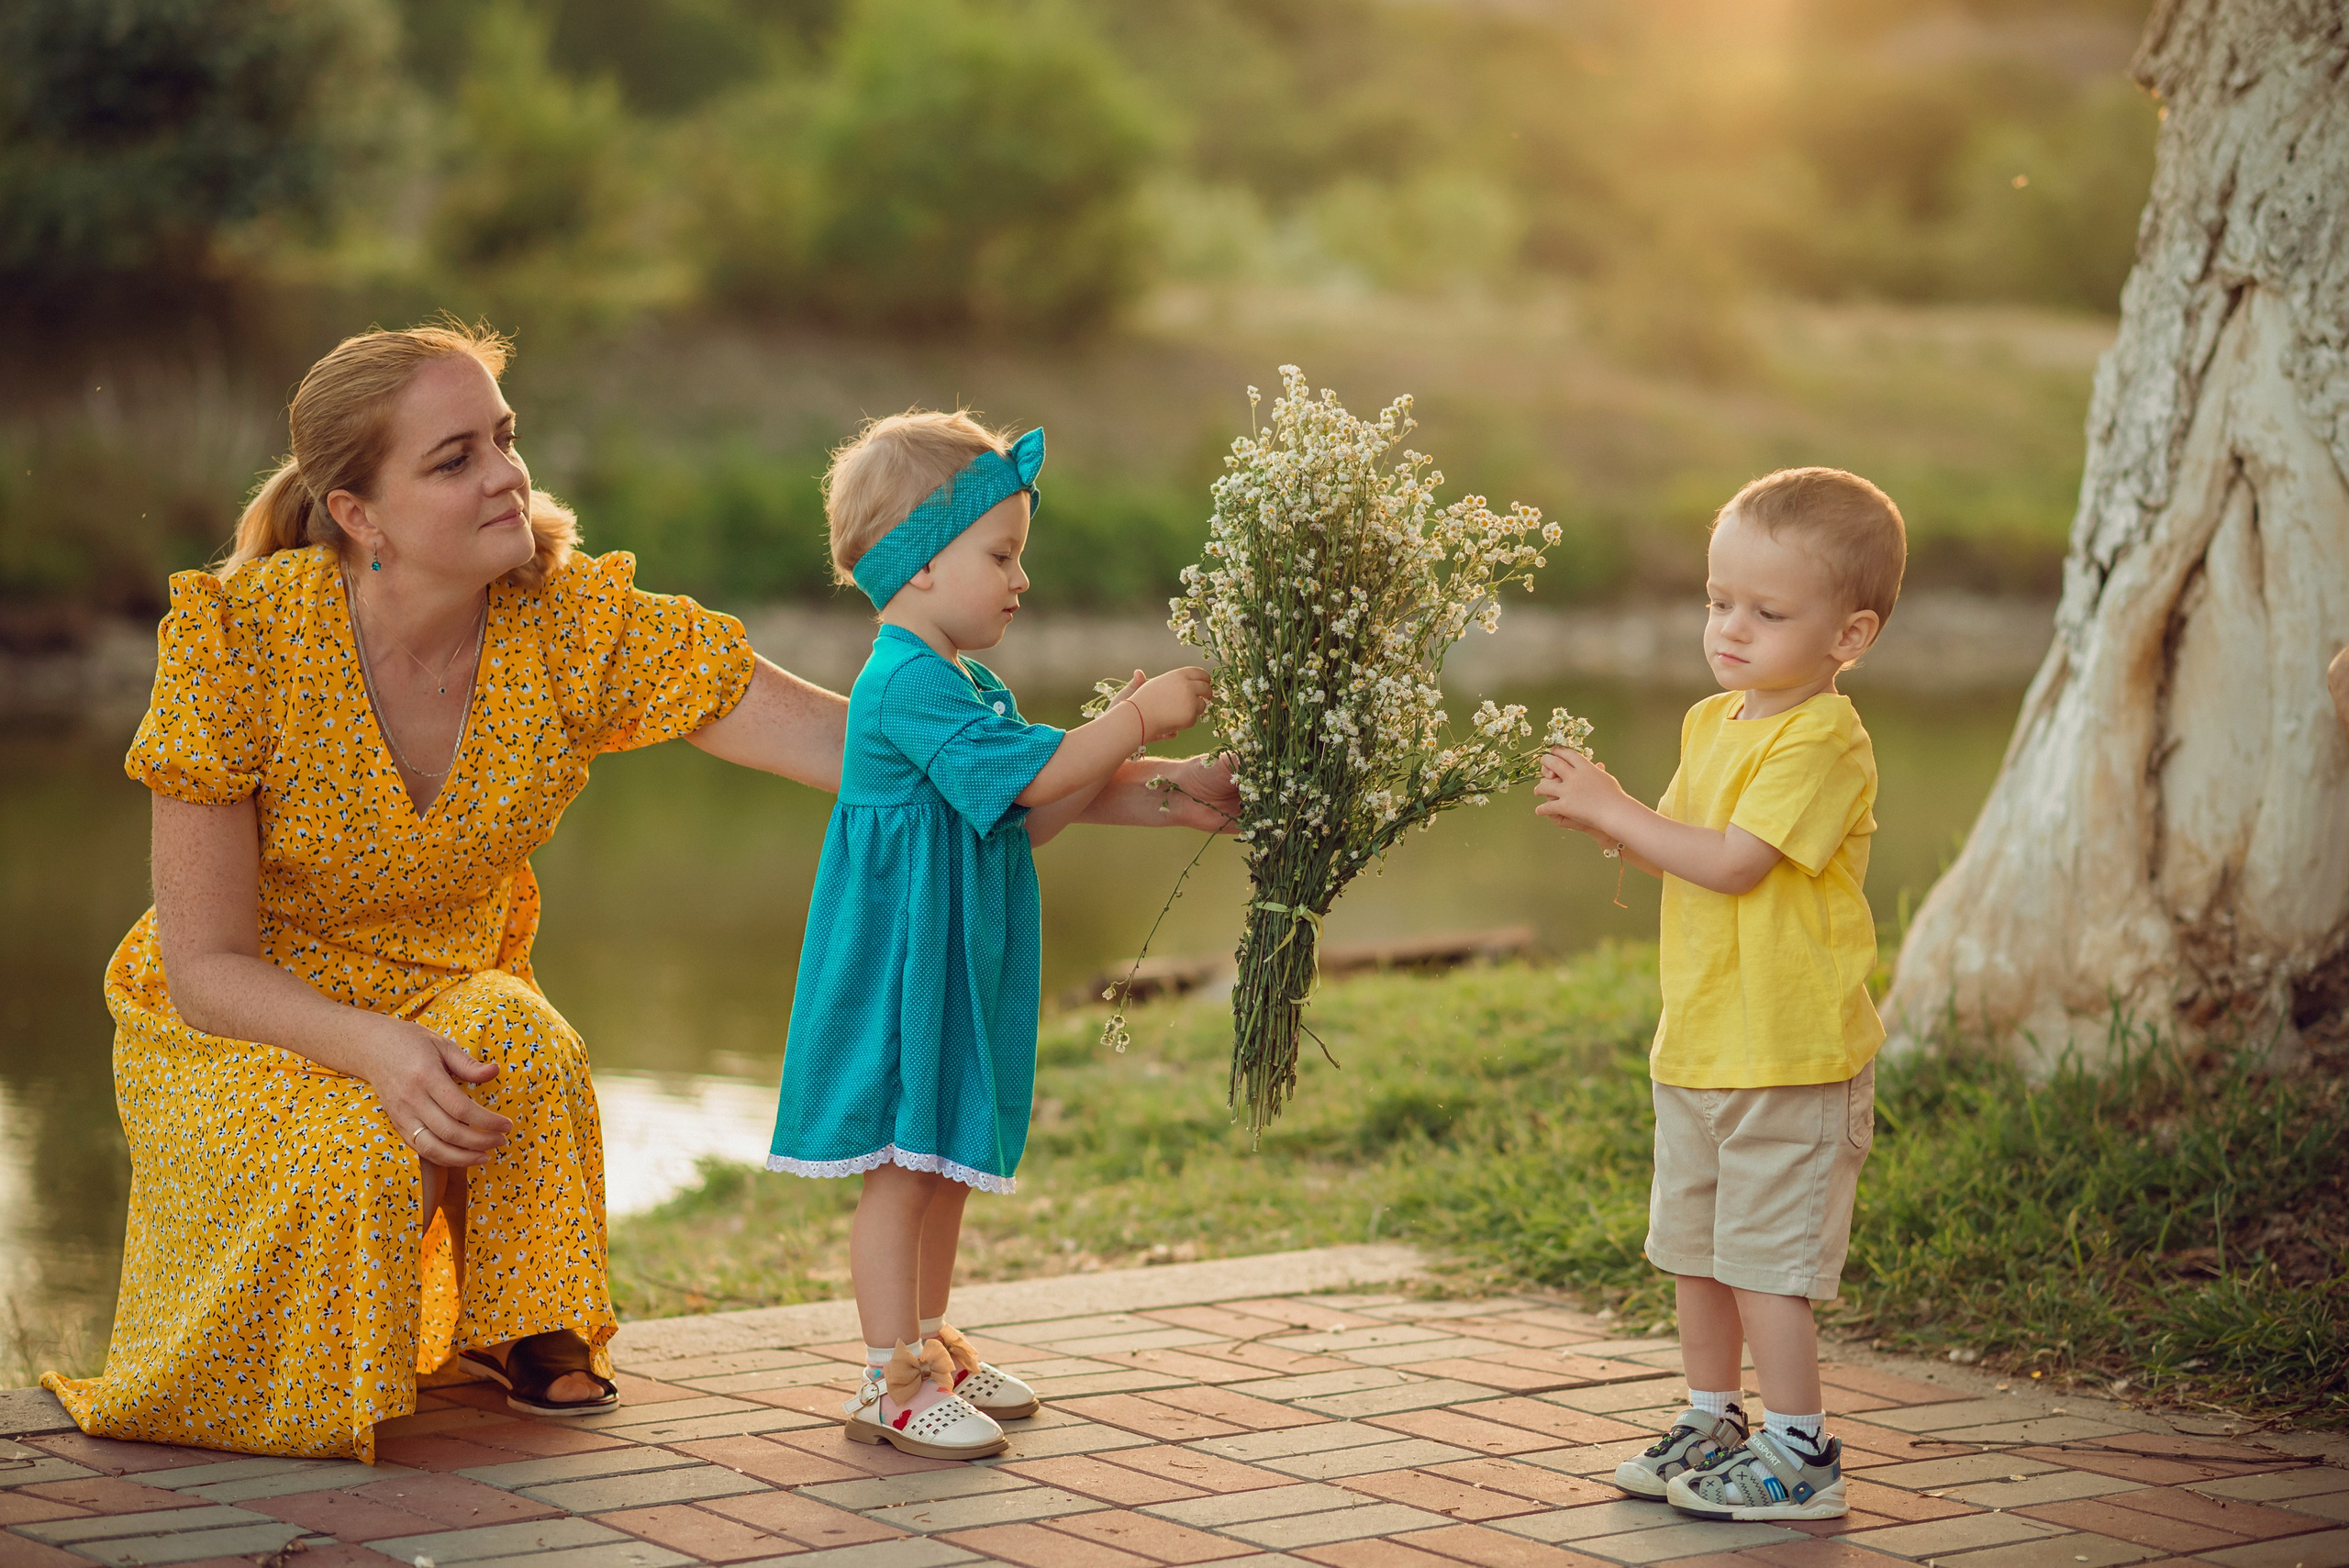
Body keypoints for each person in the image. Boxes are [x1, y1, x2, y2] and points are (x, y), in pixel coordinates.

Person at [42, 325, 1237, 1463]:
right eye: (456, 458)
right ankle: (290, 1378)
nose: (507, 475)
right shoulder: (237, 644)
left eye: (506, 436)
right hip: (254, 1019)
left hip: (450, 991)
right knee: (359, 1146)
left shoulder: (572, 624)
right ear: (359, 514)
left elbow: (879, 757)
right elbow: (206, 969)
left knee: (519, 1037)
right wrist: (375, 1048)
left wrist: (1164, 790)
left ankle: (524, 1317)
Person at [764, 412, 1211, 1461]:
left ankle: (928, 1343)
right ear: (918, 564)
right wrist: (1136, 721)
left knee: (942, 1161)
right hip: (901, 969)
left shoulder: (968, 682)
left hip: (954, 957)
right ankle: (888, 1380)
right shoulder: (902, 680)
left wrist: (1164, 782)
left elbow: (1027, 814)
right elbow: (1047, 773)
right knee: (900, 1170)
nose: (1021, 579)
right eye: (1000, 555)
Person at [1533, 467, 1905, 1522]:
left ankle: (1801, 1452)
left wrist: (1620, 809)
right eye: (1717, 599)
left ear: (1849, 634)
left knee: (1763, 1265)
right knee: (1695, 1254)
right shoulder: (1714, 720)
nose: (1730, 627)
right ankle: (1713, 1416)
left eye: (1766, 611)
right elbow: (1680, 844)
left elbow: (1737, 861)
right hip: (1700, 1040)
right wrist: (1607, 818)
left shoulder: (1822, 738)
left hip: (1789, 1051)